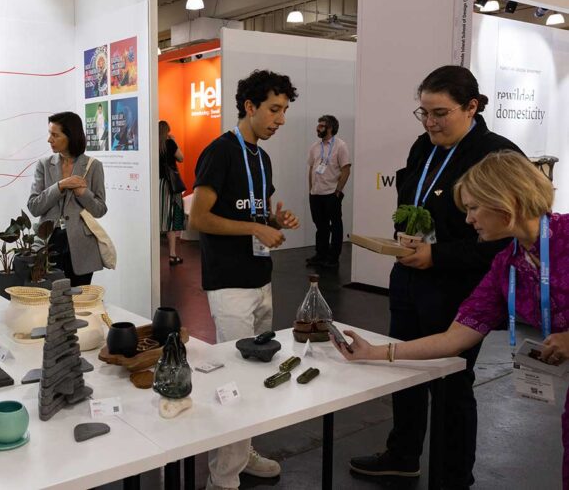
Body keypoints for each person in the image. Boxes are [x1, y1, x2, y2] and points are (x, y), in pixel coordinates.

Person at [335, 151, 569, 486]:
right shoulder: (507, 264)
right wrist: (377, 352)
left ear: (505, 201)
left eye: (474, 208)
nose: (469, 219)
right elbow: (456, 337)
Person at [349, 65, 523, 488]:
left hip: (459, 292)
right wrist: (405, 244)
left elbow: (504, 241)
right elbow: (412, 199)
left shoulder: (498, 157)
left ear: (472, 107)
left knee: (450, 385)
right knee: (403, 372)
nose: (430, 123)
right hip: (409, 281)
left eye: (440, 113)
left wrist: (438, 256)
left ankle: (452, 478)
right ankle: (402, 455)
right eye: (423, 112)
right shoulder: (422, 147)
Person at [190, 69, 301, 490]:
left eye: (285, 110)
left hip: (261, 277)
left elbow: (253, 212)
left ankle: (242, 451)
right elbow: (199, 218)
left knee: (254, 375)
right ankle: (222, 478)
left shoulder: (262, 157)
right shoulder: (220, 152)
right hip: (230, 282)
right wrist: (255, 230)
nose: (281, 119)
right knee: (234, 378)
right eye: (274, 109)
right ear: (250, 107)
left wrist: (272, 220)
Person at [28, 111, 107, 287]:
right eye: (50, 134)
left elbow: (100, 209)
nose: (49, 139)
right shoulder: (44, 164)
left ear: (71, 136)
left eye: (55, 135)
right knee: (48, 299)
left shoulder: (93, 166)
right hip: (49, 242)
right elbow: (34, 207)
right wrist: (60, 186)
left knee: (80, 301)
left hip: (81, 246)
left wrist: (83, 193)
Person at [306, 114, 351, 268]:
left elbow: (346, 169)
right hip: (316, 193)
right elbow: (311, 168)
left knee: (336, 225)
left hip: (332, 193)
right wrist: (310, 189)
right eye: (318, 125)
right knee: (321, 226)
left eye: (321, 126)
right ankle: (321, 254)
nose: (317, 128)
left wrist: (338, 191)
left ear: (330, 128)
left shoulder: (340, 146)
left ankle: (333, 258)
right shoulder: (314, 147)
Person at [159, 120, 186, 265]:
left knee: (156, 218)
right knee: (169, 219)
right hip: (169, 185)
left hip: (155, 184)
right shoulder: (170, 143)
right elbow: (181, 158)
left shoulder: (153, 144)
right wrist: (174, 140)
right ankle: (172, 254)